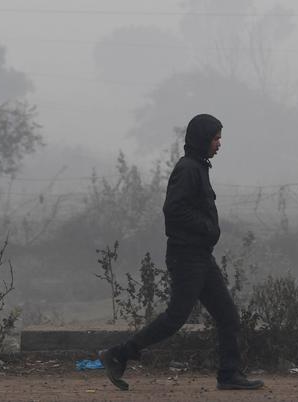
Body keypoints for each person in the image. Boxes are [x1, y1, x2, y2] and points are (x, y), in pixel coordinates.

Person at [98, 114, 264, 391]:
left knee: (227, 315)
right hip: (187, 256)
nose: (219, 143)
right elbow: (173, 209)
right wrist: (208, 228)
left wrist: (209, 230)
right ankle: (119, 353)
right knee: (176, 317)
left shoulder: (198, 167)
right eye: (215, 138)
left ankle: (229, 375)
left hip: (199, 256)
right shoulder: (188, 169)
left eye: (219, 137)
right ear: (202, 139)